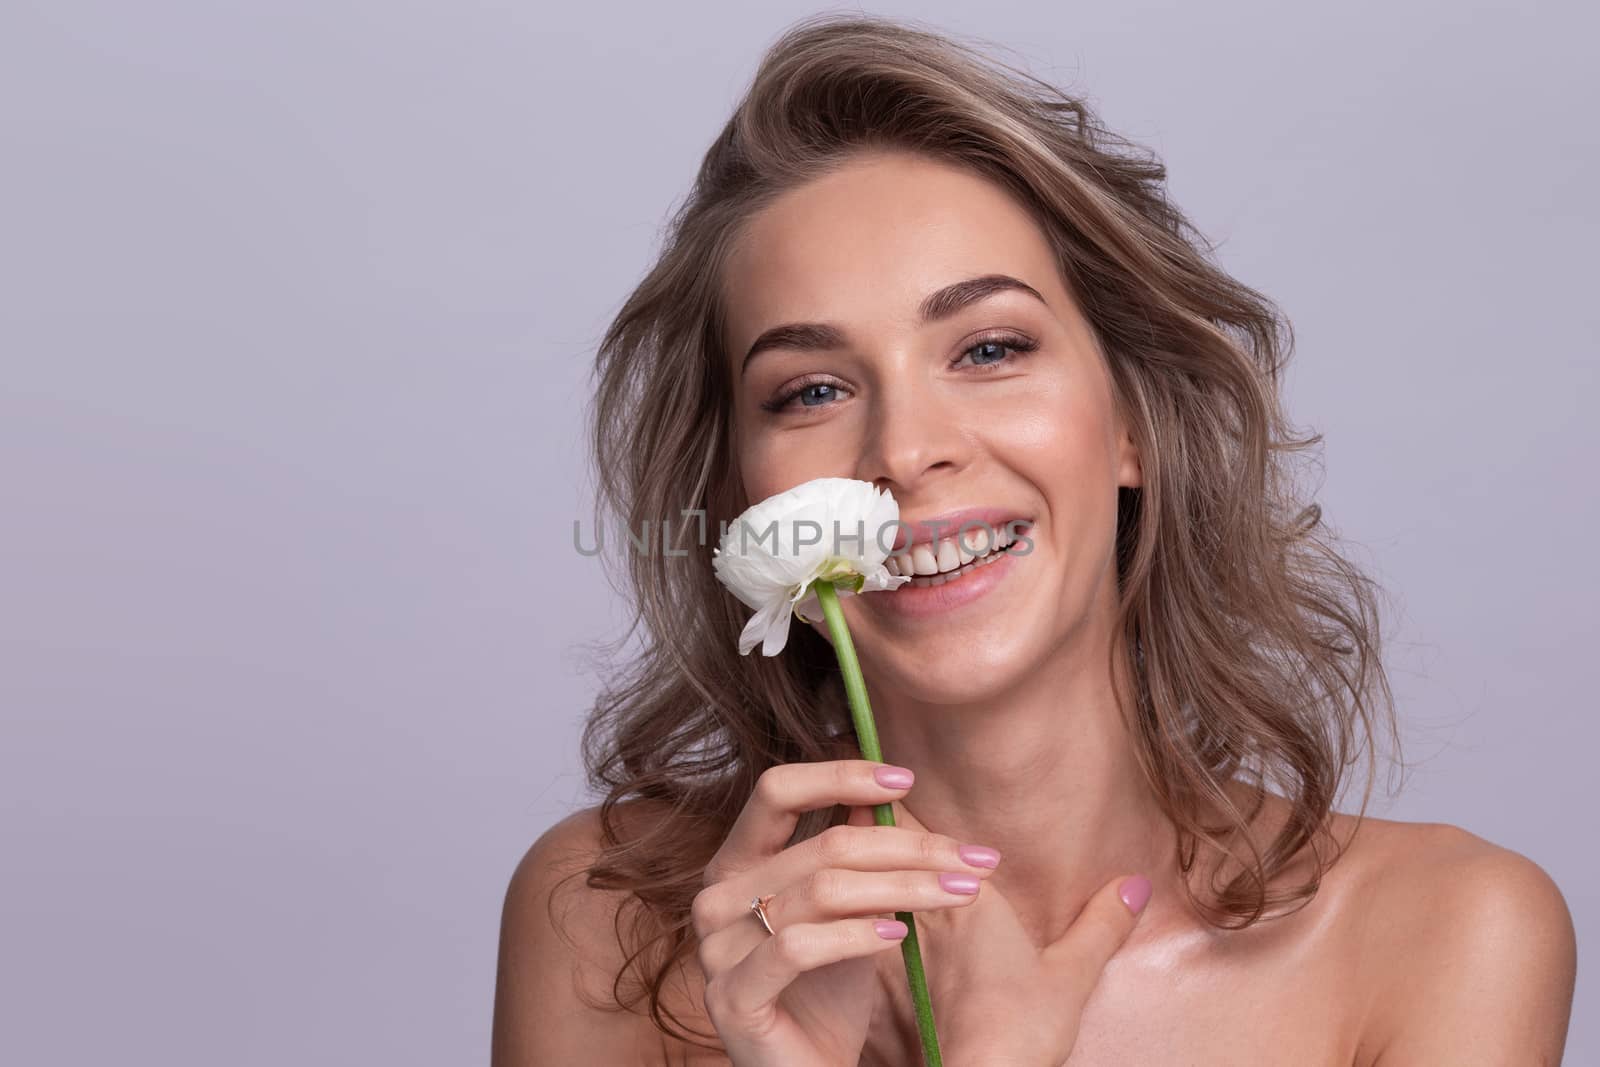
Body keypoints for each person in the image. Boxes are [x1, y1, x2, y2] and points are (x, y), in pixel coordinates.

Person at [492, 13, 1577, 1065]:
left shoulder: (1443, 934)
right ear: (738, 491)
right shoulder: (607, 917)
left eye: (990, 348)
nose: (906, 450)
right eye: (811, 387)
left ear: (1133, 423)